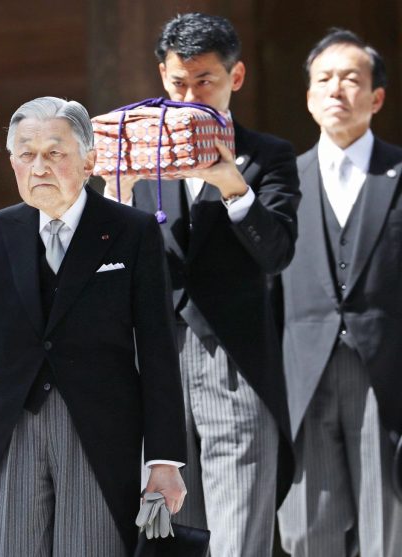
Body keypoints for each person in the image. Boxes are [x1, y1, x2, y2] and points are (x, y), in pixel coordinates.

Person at [101, 13, 300, 556]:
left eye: (204, 82)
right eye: (177, 83)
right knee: (170, 540)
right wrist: (116, 197)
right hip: (155, 365)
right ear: (161, 77)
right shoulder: (135, 152)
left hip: (234, 362)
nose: (189, 97)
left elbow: (277, 253)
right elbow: (105, 272)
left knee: (236, 539)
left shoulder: (268, 156)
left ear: (236, 78)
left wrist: (234, 186)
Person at [0, 96, 187, 556]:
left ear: (89, 160)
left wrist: (163, 459)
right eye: (26, 154)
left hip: (100, 428)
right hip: (12, 428)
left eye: (54, 153)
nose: (39, 167)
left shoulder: (132, 230)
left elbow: (158, 347)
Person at [277, 28, 402, 557]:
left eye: (351, 79)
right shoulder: (281, 180)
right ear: (308, 98)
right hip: (302, 373)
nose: (336, 90)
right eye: (324, 80)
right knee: (308, 529)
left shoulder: (399, 173)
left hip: (387, 374)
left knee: (386, 525)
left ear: (375, 97)